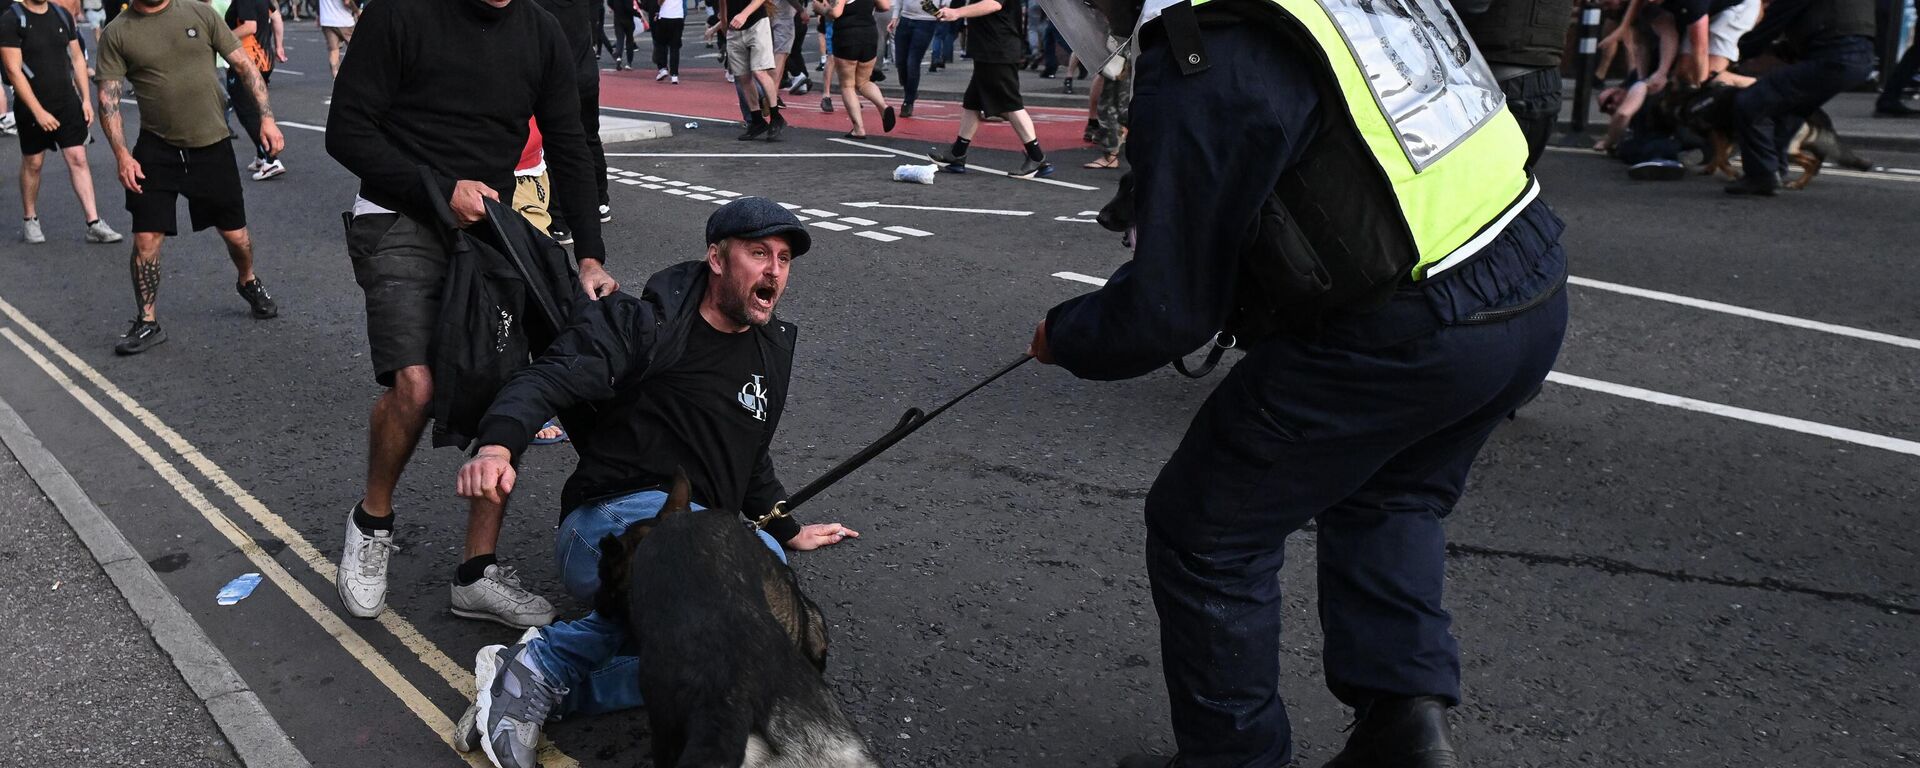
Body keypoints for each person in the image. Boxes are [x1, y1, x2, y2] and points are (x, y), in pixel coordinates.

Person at [1021, 0, 1569, 765]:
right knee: (1389, 491)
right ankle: (1405, 731)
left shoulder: (1202, 53)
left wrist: (1066, 334)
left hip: (1404, 324)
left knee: (1205, 529)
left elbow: (1168, 310)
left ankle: (1234, 759)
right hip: (1527, 273)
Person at [450, 198, 860, 768]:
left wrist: (784, 526)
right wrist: (498, 444)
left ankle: (541, 687)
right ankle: (548, 661)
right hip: (609, 521)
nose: (774, 271)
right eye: (758, 253)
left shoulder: (770, 348)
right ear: (716, 259)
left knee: (779, 629)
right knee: (705, 565)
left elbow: (749, 448)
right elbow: (550, 374)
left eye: (784, 259)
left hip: (705, 532)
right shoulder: (648, 323)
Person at [324, 0, 617, 628]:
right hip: (398, 212)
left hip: (489, 221)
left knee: (508, 393)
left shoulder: (541, 31)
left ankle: (476, 573)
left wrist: (589, 256)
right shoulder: (400, 14)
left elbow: (569, 141)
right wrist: (436, 187)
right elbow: (346, 131)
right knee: (418, 384)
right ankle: (372, 522)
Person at [95, 0, 282, 356]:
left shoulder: (199, 12)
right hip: (156, 149)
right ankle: (147, 321)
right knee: (146, 238)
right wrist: (122, 156)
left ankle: (248, 280)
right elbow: (109, 100)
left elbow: (244, 65)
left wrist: (267, 119)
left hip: (211, 146)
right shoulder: (118, 32)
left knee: (236, 236)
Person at [1, 0, 122, 245]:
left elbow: (77, 58)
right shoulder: (12, 19)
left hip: (67, 102)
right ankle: (30, 219)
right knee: (33, 163)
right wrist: (38, 111)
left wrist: (86, 99)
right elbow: (13, 70)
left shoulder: (61, 15)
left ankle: (93, 222)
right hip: (33, 105)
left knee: (78, 158)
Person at [1725, 0, 1875, 195]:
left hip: (1833, 58)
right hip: (1861, 59)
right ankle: (1774, 169)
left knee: (1750, 102)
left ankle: (1761, 176)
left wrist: (1734, 54)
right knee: (1789, 108)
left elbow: (1772, 22)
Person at [926, 0, 1051, 177]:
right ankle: (957, 154)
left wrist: (957, 12)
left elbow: (993, 3)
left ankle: (1037, 158)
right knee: (972, 102)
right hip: (988, 48)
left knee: (1011, 104)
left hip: (998, 49)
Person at [1456, 0, 1574, 170]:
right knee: (1508, 187)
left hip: (1501, 82)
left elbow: (1470, 6)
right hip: (1543, 78)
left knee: (1477, 184)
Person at [533, 0, 612, 240]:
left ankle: (559, 220)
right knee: (589, 139)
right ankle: (601, 201)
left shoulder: (540, 8)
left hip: (559, 80)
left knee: (556, 146)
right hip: (588, 75)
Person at [224, 0, 285, 180]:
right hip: (264, 59)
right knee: (255, 107)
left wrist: (220, 38)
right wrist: (279, 46)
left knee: (247, 112)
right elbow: (277, 18)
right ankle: (261, 156)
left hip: (248, 62)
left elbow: (250, 27)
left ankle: (270, 159)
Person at [718, 0, 787, 139]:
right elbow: (722, 4)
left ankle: (776, 117)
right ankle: (757, 121)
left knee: (759, 71)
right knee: (742, 76)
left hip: (757, 24)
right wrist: (725, 26)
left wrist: (744, 14)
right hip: (735, 30)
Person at [827, 0, 894, 137]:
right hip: (869, 35)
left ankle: (859, 128)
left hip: (847, 36)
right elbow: (885, 6)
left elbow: (836, 12)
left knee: (847, 85)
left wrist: (823, 10)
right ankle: (883, 106)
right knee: (864, 82)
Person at [888, 0, 935, 116]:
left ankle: (908, 102)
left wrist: (935, 13)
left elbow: (944, 4)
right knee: (900, 61)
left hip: (926, 21)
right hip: (905, 19)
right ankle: (910, 91)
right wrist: (895, 17)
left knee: (912, 62)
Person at [648, 0, 684, 81]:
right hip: (678, 16)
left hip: (665, 16)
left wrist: (659, 4)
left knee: (661, 44)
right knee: (675, 47)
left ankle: (663, 68)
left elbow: (660, 2)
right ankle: (674, 74)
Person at [315, 0, 353, 79]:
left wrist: (318, 14)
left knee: (333, 51)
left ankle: (336, 78)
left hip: (327, 20)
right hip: (344, 20)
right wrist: (356, 10)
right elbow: (347, 2)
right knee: (358, 48)